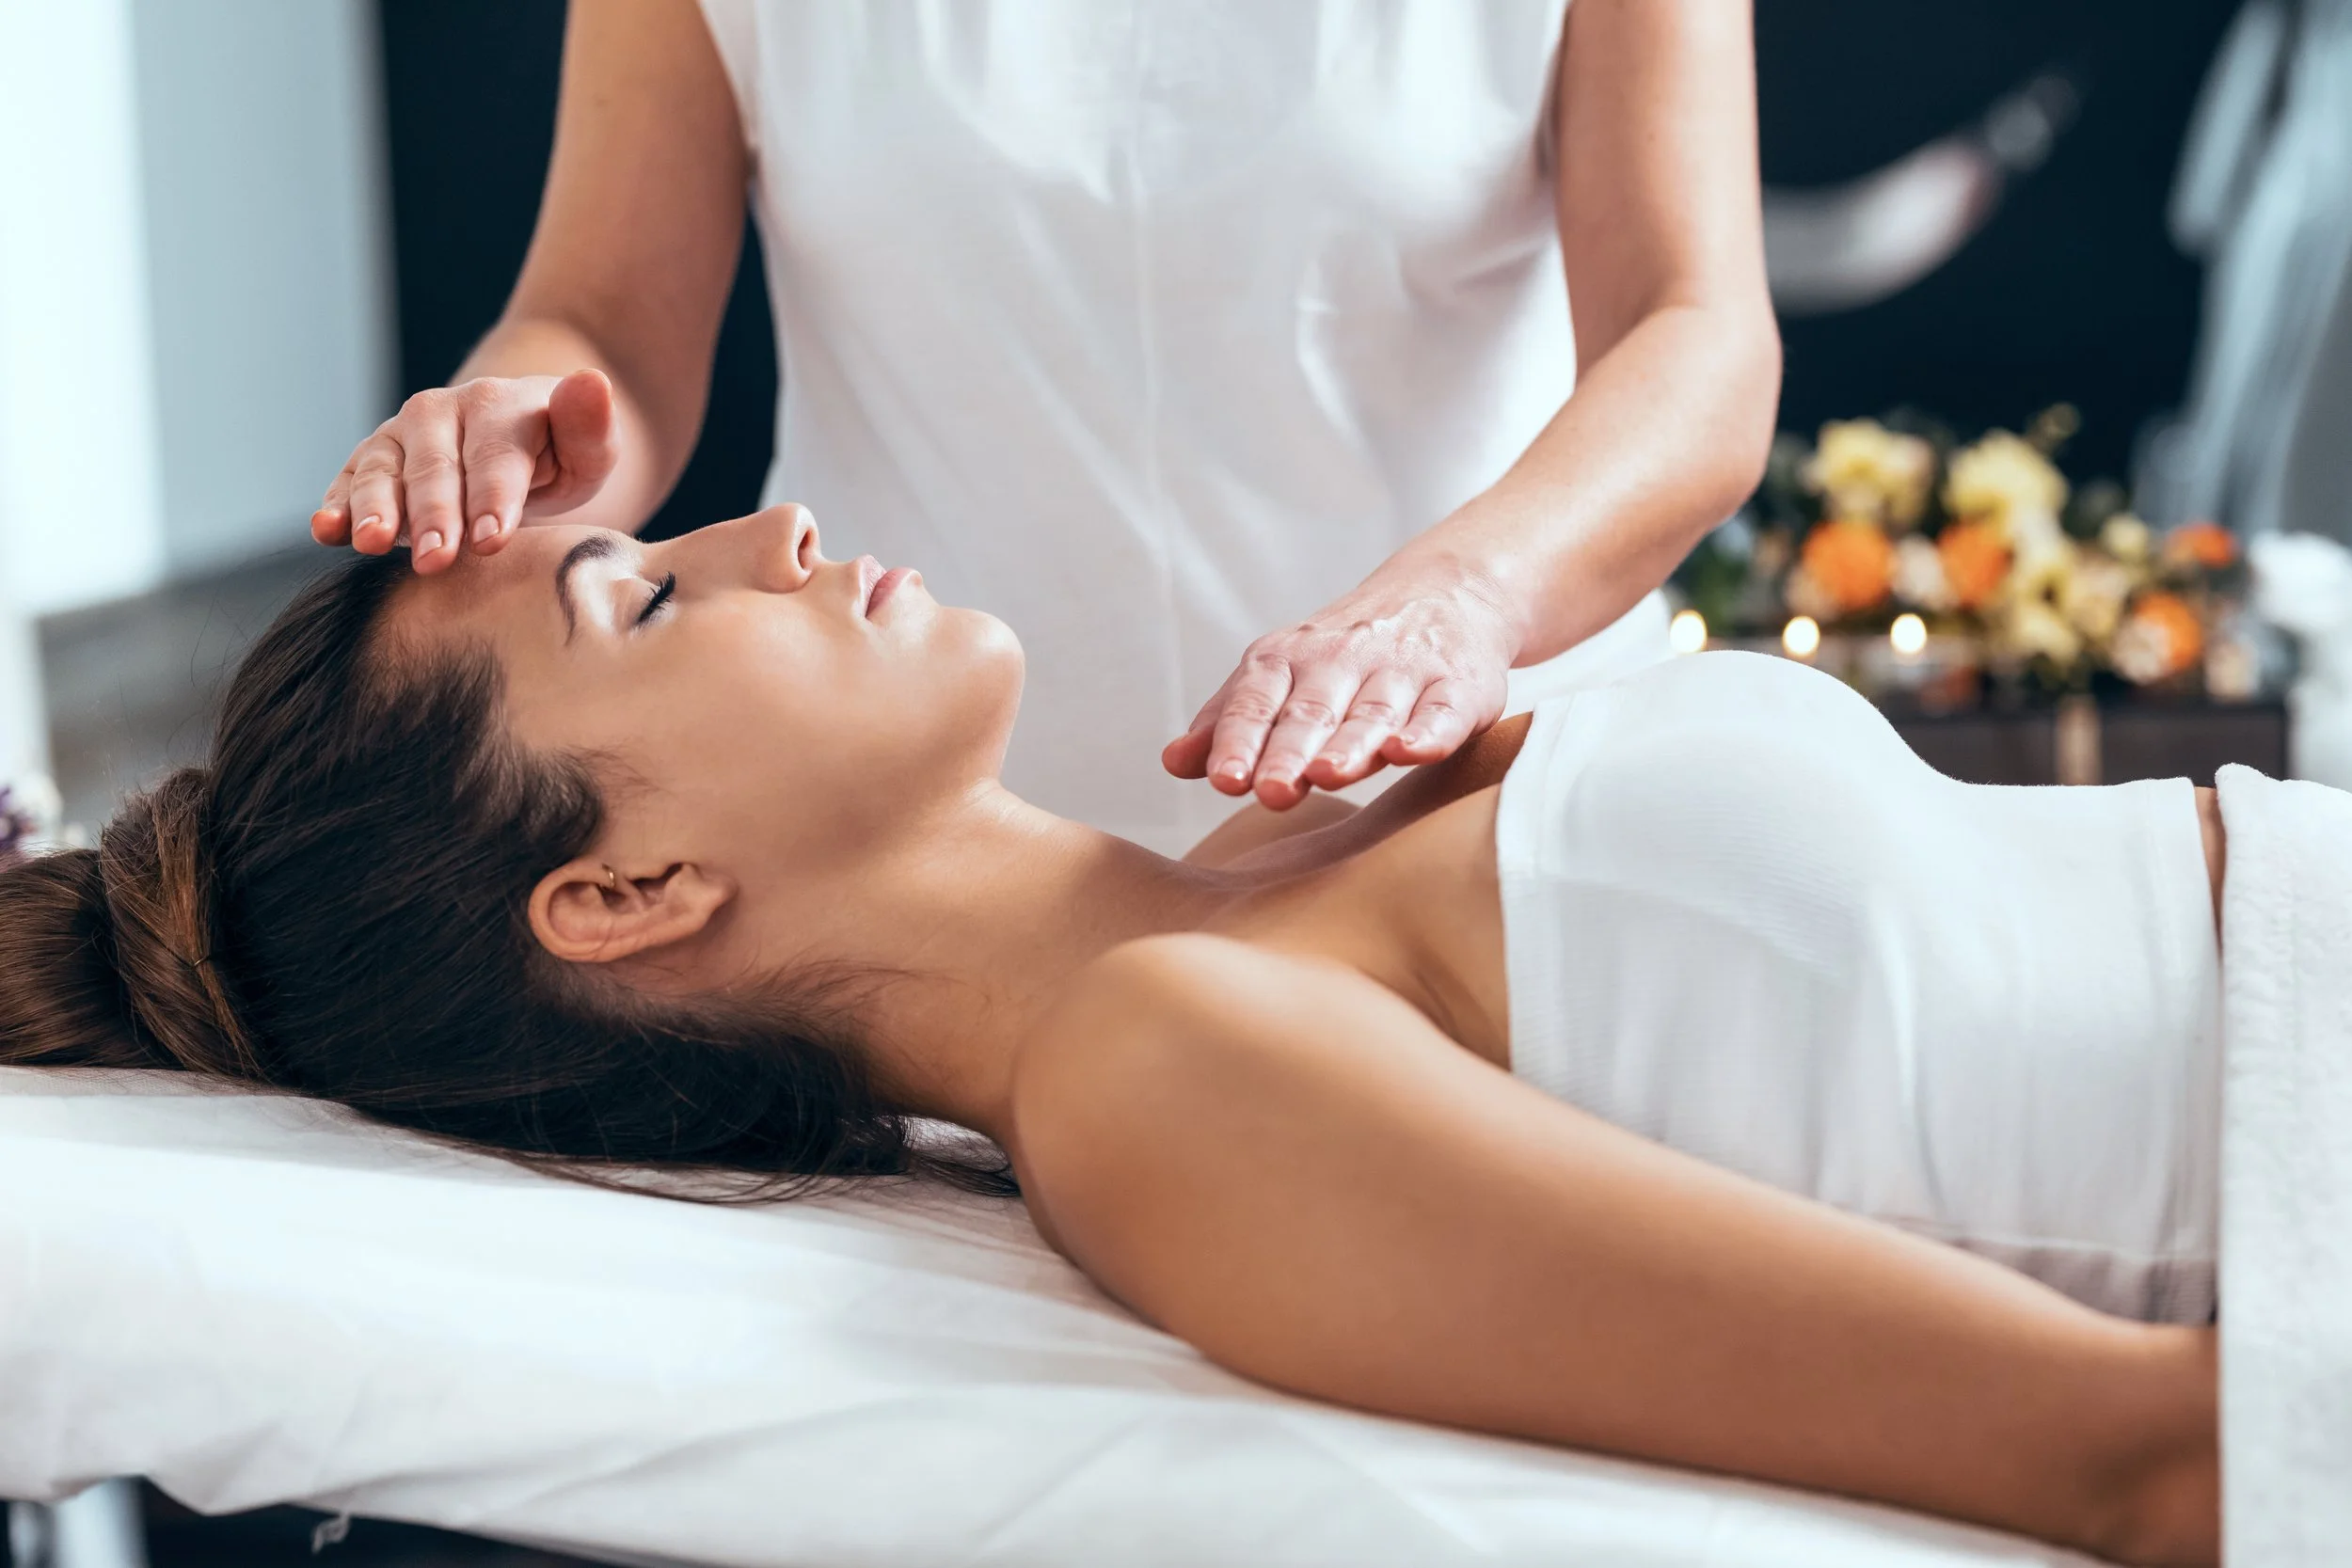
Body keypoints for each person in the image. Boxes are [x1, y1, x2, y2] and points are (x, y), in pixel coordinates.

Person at [0, 513, 2217, 1562]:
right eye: (647, 594)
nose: (765, 525)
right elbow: (2125, 1454)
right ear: (622, 892)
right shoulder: (1160, 1081)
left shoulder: (1264, 847)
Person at [309, 0, 1778, 852]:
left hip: (1479, 804)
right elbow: (607, 326)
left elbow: (1696, 332)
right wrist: (525, 429)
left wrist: (1465, 600)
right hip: (916, 871)